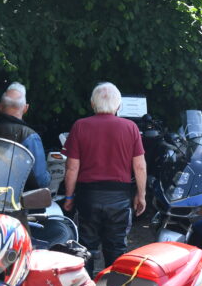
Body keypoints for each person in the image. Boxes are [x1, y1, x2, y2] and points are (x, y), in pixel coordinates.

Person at [62, 82, 146, 275]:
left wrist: (68, 197)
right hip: (119, 198)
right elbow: (139, 166)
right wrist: (141, 195)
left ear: (92, 104)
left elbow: (72, 166)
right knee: (116, 248)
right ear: (119, 105)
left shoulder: (80, 126)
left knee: (85, 249)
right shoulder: (130, 127)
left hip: (88, 197)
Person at [0, 82, 51, 190]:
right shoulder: (30, 136)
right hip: (16, 203)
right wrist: (50, 175)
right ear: (26, 108)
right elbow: (39, 180)